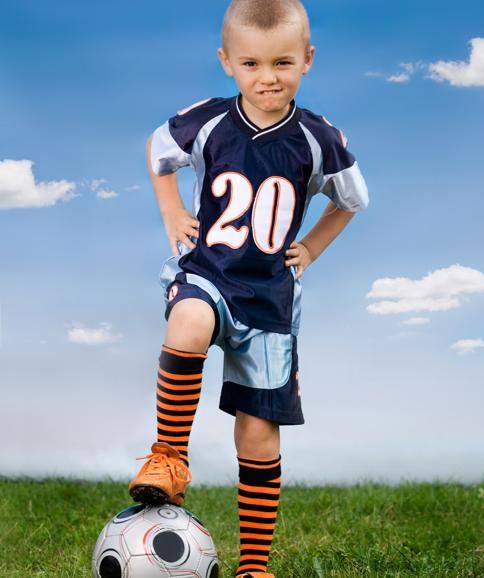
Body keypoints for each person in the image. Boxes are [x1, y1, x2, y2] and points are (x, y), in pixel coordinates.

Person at [129, 1, 369, 576]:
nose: (268, 77)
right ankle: (168, 458)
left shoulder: (318, 138)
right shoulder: (209, 121)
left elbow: (351, 200)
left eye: (283, 63)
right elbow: (158, 150)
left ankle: (253, 565)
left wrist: (310, 247)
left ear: (307, 60)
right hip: (208, 271)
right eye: (252, 63)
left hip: (269, 300)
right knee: (187, 321)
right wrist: (170, 212)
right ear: (227, 62)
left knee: (259, 436)